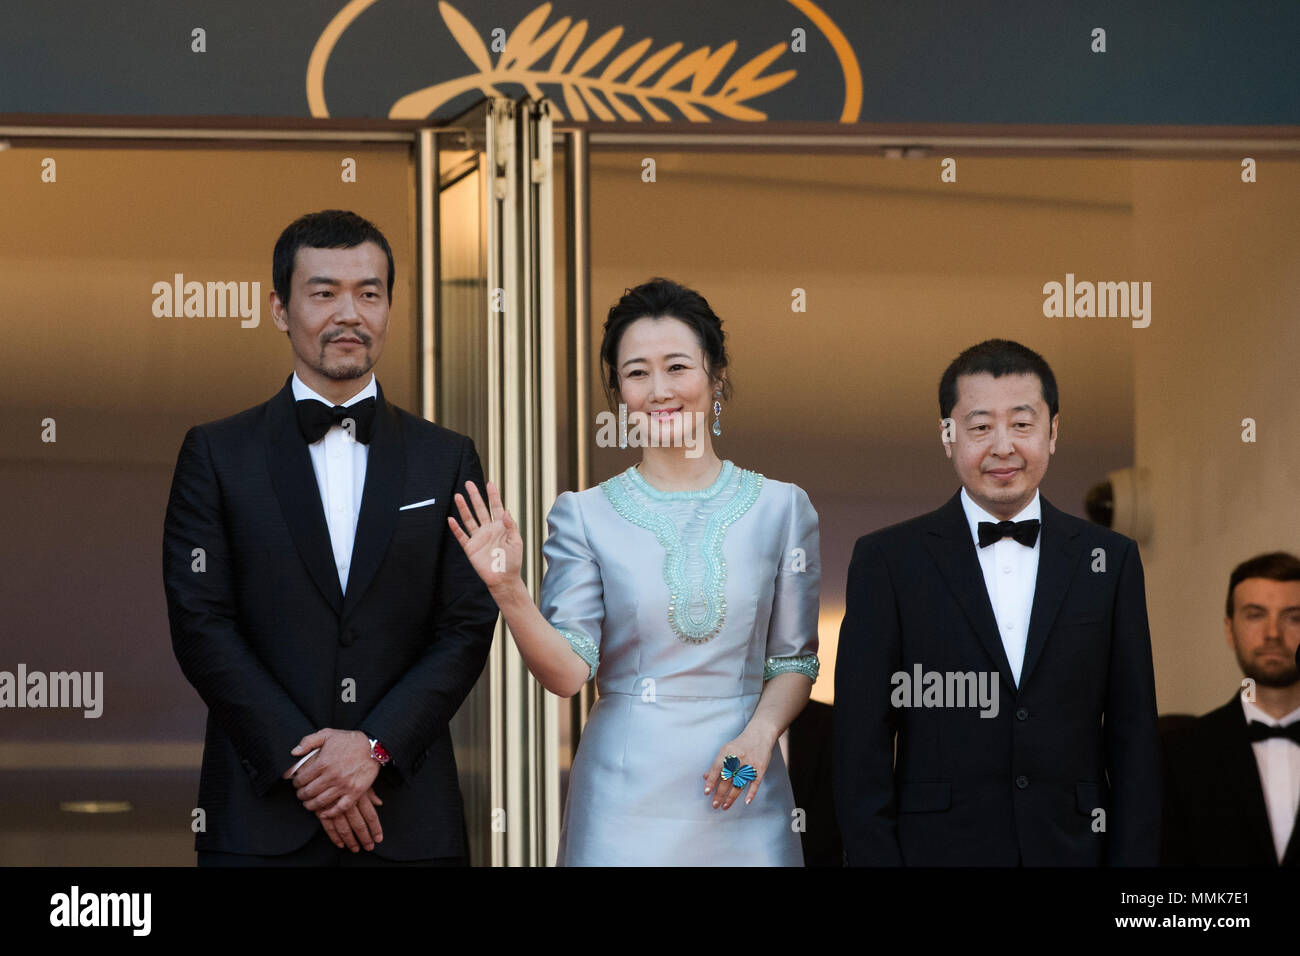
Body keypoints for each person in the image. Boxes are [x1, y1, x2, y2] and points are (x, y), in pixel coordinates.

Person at [163, 209, 498, 866]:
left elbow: (465, 625)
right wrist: (314, 764)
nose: (350, 313)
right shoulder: (216, 454)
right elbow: (201, 625)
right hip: (260, 819)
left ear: (389, 308)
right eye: (324, 293)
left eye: (369, 293)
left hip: (409, 819)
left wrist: (373, 747)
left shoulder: (447, 458)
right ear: (280, 309)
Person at [448, 278, 821, 865]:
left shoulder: (783, 508)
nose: (659, 390)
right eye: (637, 373)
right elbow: (568, 674)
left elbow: (794, 662)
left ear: (715, 375)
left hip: (745, 786)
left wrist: (759, 737)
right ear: (617, 390)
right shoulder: (583, 514)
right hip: (621, 802)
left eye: (677, 367)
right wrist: (509, 589)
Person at [833, 338, 1160, 865]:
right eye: (980, 427)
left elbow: (1134, 736)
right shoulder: (887, 560)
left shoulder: (1110, 559)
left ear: (1053, 431)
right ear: (948, 436)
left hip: (1073, 852)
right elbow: (859, 744)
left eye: (1022, 424)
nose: (1002, 446)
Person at [1161, 551, 1300, 865]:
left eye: (1294, 616)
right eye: (1255, 614)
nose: (1273, 633)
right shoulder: (1176, 754)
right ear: (1229, 629)